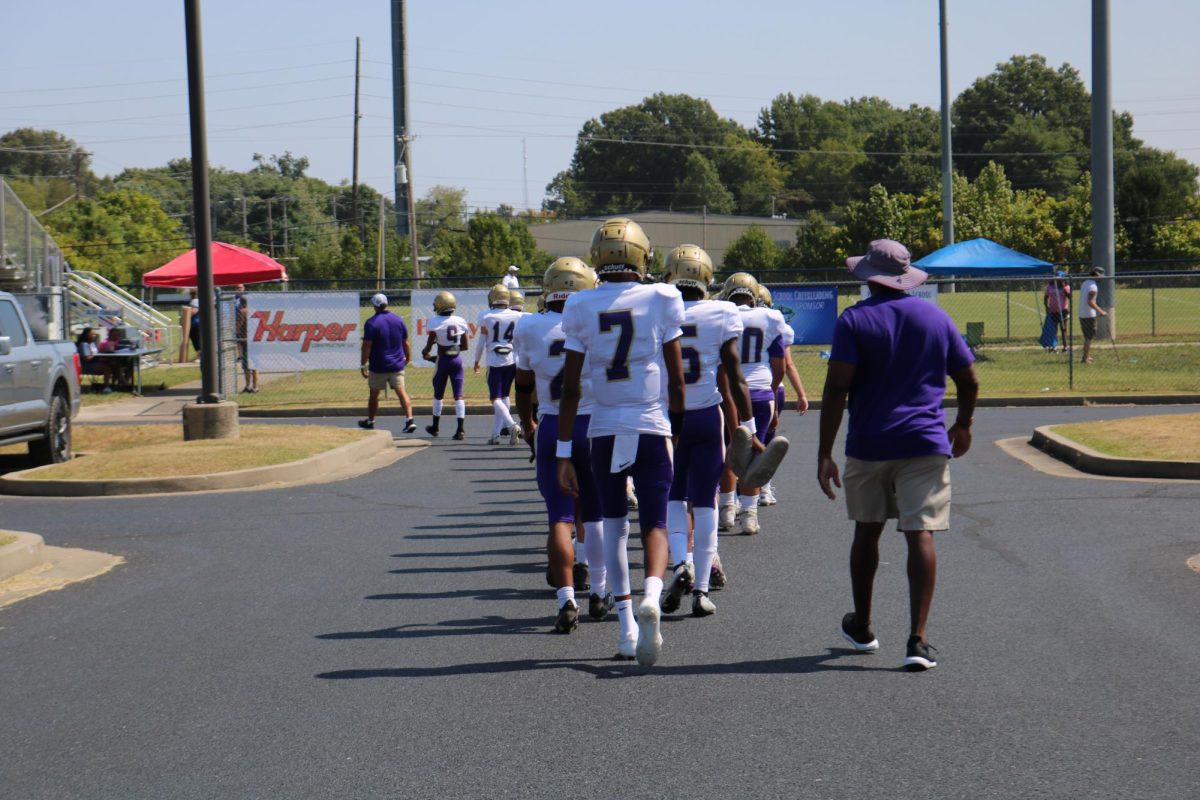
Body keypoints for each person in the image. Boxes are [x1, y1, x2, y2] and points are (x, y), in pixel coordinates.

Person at [817, 239, 979, 672]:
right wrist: (962, 424)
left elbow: (837, 388)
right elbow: (968, 378)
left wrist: (824, 452)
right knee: (919, 533)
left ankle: (864, 625)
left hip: (869, 443)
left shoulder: (854, 320)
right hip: (925, 443)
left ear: (869, 277)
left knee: (867, 533)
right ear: (907, 278)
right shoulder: (936, 317)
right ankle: (918, 640)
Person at [557, 217, 686, 666]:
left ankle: (628, 628)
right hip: (651, 424)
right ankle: (653, 590)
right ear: (641, 255)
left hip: (604, 429)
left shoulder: (579, 305)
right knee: (654, 522)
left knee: (613, 525)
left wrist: (561, 452)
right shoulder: (662, 297)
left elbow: (571, 389)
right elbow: (677, 379)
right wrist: (680, 427)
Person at [514, 257, 609, 633]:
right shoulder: (596, 322)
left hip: (553, 423)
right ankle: (599, 591)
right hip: (595, 422)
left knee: (559, 517)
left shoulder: (530, 326)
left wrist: (527, 424)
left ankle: (566, 598)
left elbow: (522, 386)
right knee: (596, 514)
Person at [660, 244, 756, 618]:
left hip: (666, 418)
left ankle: (679, 563)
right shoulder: (723, 312)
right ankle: (701, 588)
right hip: (706, 415)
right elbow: (735, 375)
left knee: (672, 497)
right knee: (705, 501)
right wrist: (748, 427)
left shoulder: (657, 309)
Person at [720, 272, 789, 536]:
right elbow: (779, 366)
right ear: (755, 296)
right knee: (754, 453)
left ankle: (727, 508)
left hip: (728, 391)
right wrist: (771, 392)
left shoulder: (721, 313)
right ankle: (749, 514)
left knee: (728, 447)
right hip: (760, 392)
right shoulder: (770, 318)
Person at [359, 293, 416, 433]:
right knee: (401, 392)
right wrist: (408, 357)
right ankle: (409, 419)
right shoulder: (398, 320)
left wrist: (363, 364)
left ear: (374, 306)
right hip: (396, 364)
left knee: (374, 394)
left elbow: (366, 346)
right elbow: (406, 342)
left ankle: (371, 421)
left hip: (378, 365)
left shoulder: (371, 323)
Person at [474, 285, 524, 445]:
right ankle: (495, 434)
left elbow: (481, 342)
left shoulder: (485, 315)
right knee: (505, 396)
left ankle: (511, 425)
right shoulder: (517, 315)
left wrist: (476, 361)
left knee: (495, 398)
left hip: (494, 359)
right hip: (511, 359)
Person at [421, 291, 470, 440]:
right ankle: (461, 429)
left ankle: (435, 427)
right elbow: (465, 346)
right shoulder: (460, 321)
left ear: (440, 305)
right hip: (457, 361)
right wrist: (452, 349)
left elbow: (428, 347)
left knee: (438, 395)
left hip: (443, 361)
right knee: (459, 396)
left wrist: (427, 354)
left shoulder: (435, 322)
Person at [1078, 267, 1108, 364]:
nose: (1101, 278)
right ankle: (1085, 358)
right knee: (1089, 337)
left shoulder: (1085, 283)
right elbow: (1090, 301)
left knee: (1088, 336)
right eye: (1100, 276)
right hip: (1088, 315)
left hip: (1082, 313)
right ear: (1096, 275)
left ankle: (1086, 355)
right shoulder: (1093, 287)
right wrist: (1101, 311)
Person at [234, 285, 260, 393]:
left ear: (241, 303)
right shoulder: (255, 311)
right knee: (255, 365)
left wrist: (235, 332)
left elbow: (238, 326)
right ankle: (256, 386)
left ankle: (248, 385)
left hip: (245, 340)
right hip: (255, 340)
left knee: (246, 366)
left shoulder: (243, 311)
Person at [75, 327, 112, 392]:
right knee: (107, 367)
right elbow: (87, 359)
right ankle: (106, 387)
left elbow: (95, 354)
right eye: (92, 334)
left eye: (95, 334)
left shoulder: (92, 344)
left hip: (94, 363)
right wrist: (97, 355)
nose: (94, 336)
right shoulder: (84, 344)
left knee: (112, 364)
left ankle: (118, 385)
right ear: (87, 335)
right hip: (86, 366)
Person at [1042, 274, 1072, 353]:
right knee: (1053, 329)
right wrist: (1047, 308)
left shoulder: (1066, 287)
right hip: (1053, 311)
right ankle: (1053, 347)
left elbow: (1070, 297)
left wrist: (1065, 291)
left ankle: (1065, 348)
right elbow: (1045, 298)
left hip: (1063, 311)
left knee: (1063, 329)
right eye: (1056, 278)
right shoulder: (1050, 287)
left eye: (1060, 279)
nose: (1058, 280)